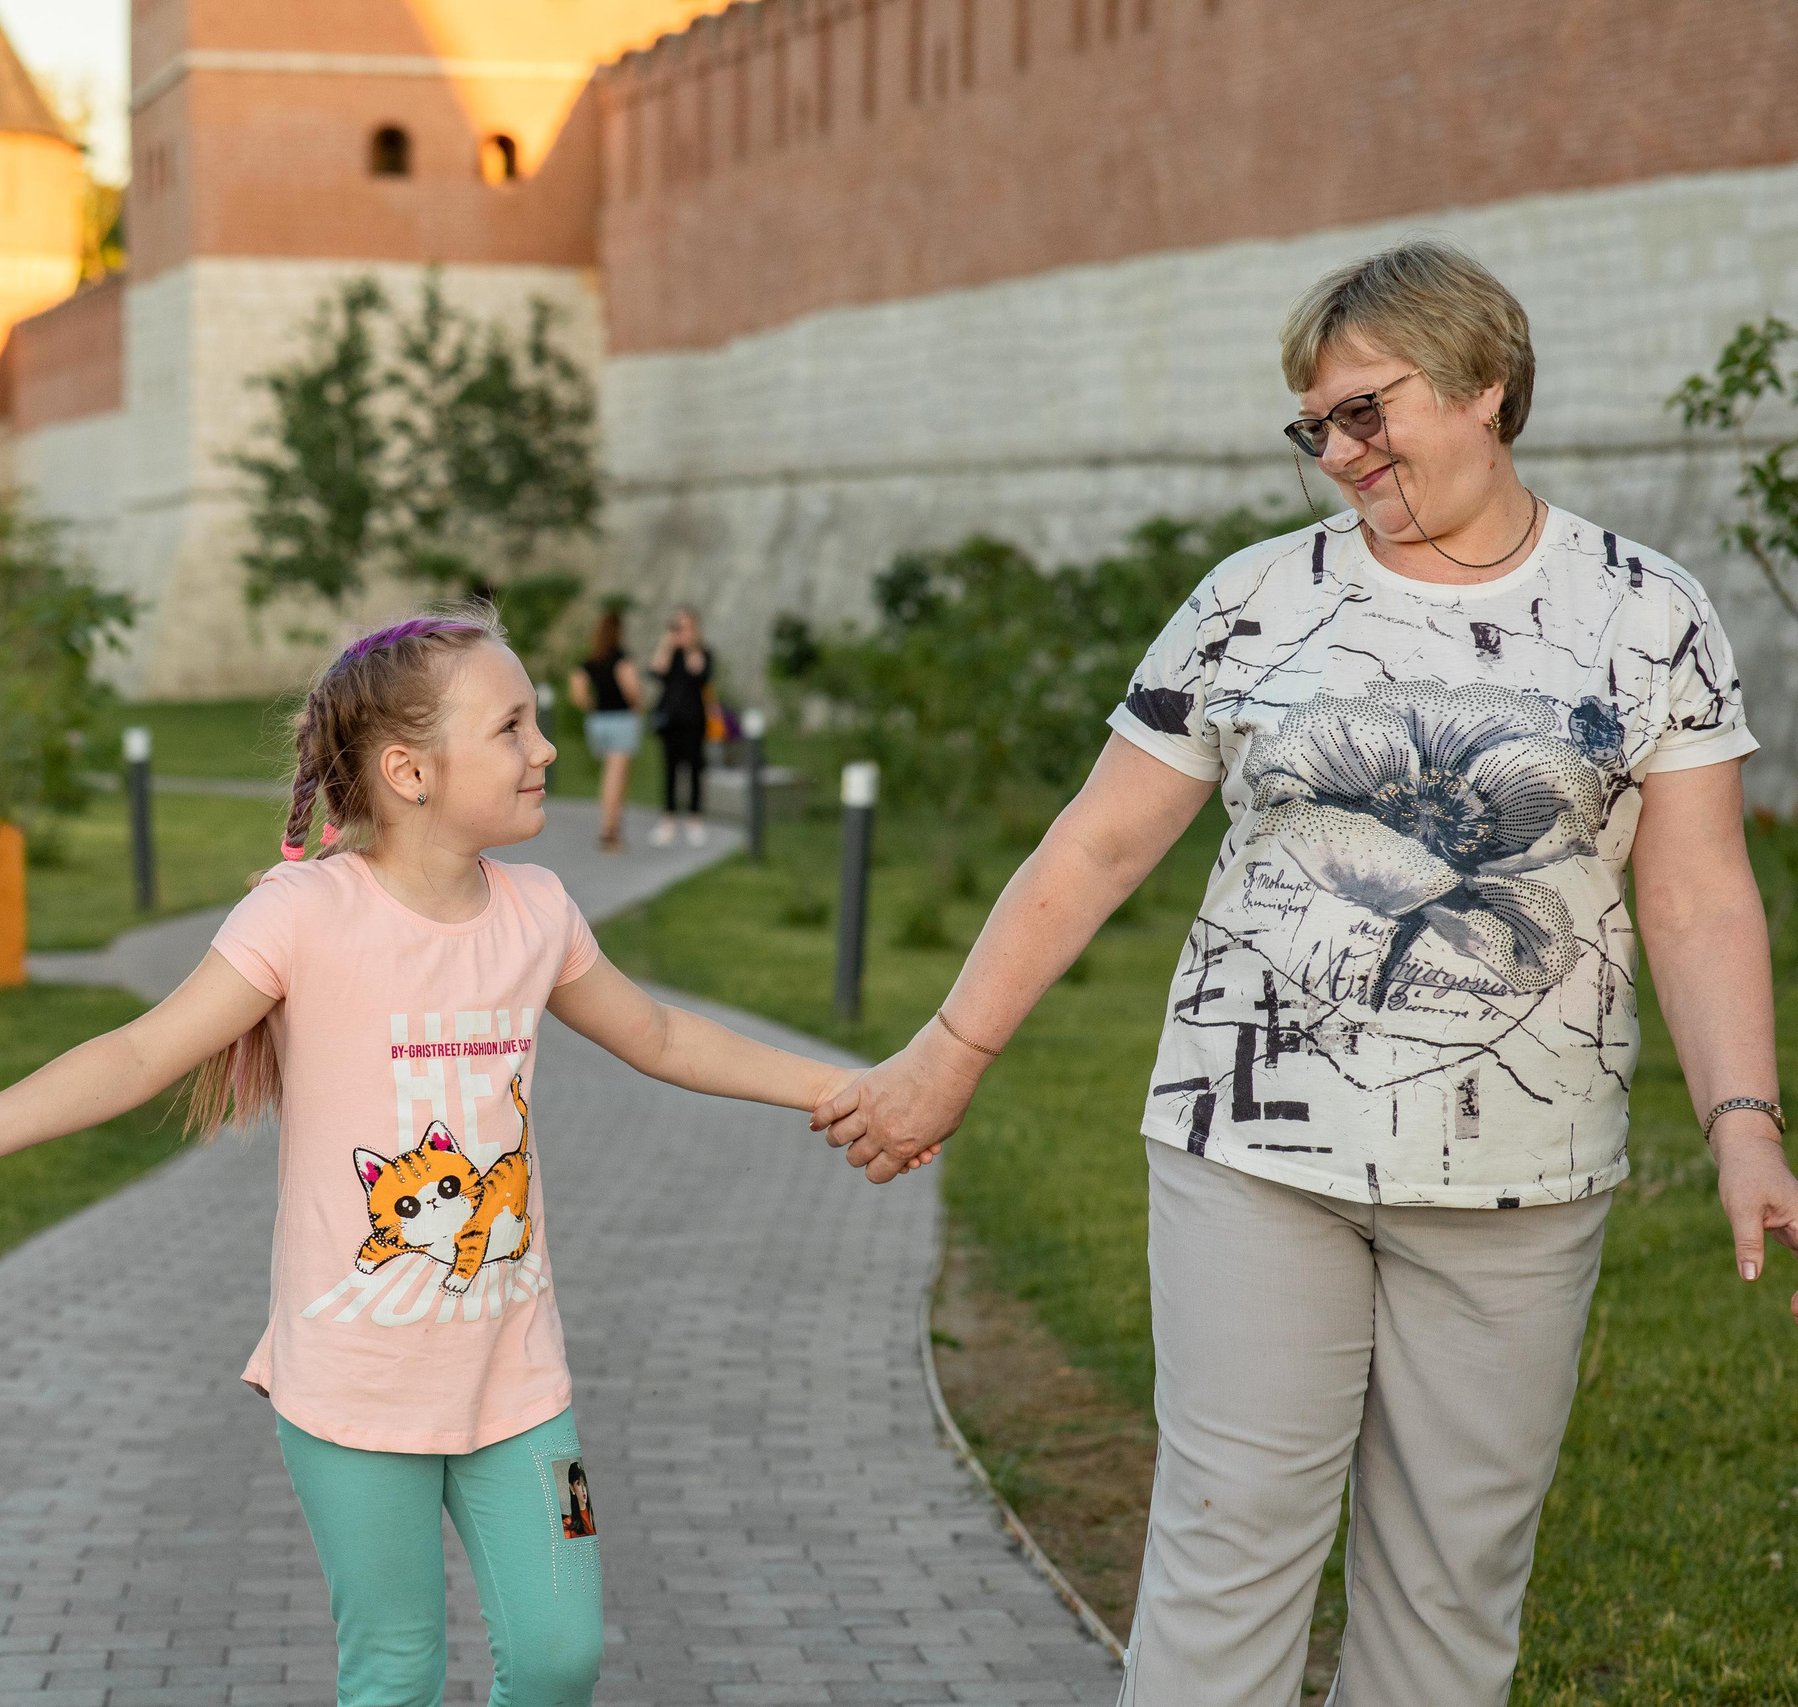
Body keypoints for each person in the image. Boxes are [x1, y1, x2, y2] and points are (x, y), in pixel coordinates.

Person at [814, 239, 1798, 1706]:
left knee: (1453, 1584)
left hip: (1524, 1178)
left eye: (1365, 411)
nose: (1339, 454)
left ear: (1484, 384)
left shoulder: (1646, 611)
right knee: (1227, 1554)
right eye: (1315, 426)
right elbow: (1095, 844)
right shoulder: (1252, 601)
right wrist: (946, 1055)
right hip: (1253, 1151)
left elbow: (1702, 892)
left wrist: (1743, 1121)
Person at [0, 607, 856, 1705]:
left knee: (562, 1655)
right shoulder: (305, 913)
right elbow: (139, 1053)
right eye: (512, 727)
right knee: (396, 1672)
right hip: (350, 1391)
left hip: (519, 1378)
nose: (546, 748)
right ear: (409, 772)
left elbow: (659, 1034)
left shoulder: (541, 911)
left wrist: (840, 1088)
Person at [568, 607, 643, 852]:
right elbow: (632, 690)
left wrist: (594, 705)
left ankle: (610, 827)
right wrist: (637, 706)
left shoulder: (590, 661)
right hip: (621, 720)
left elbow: (577, 693)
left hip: (597, 721)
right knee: (616, 778)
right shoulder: (622, 659)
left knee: (608, 775)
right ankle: (609, 831)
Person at [647, 605, 712, 847]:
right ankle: (669, 819)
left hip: (694, 720)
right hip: (670, 721)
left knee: (694, 770)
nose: (680, 632)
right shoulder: (670, 653)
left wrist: (691, 646)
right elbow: (656, 670)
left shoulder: (702, 653)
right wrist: (667, 643)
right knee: (670, 771)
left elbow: (700, 672)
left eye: (684, 627)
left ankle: (695, 819)